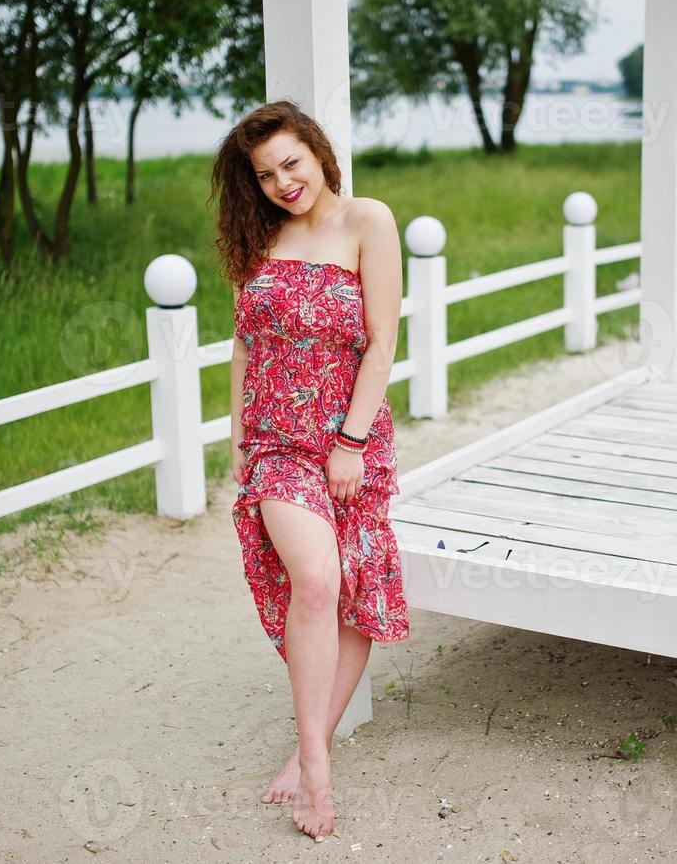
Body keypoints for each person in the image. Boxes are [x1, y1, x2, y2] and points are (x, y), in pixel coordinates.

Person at [211, 99, 411, 843]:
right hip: (276, 447)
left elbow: (382, 343)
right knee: (317, 580)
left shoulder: (368, 222)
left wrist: (351, 442)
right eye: (264, 174)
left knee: (353, 590)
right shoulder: (257, 237)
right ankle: (321, 775)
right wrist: (237, 439)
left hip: (350, 445)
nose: (281, 182)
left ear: (319, 153)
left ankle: (306, 751)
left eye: (290, 163)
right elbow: (242, 346)